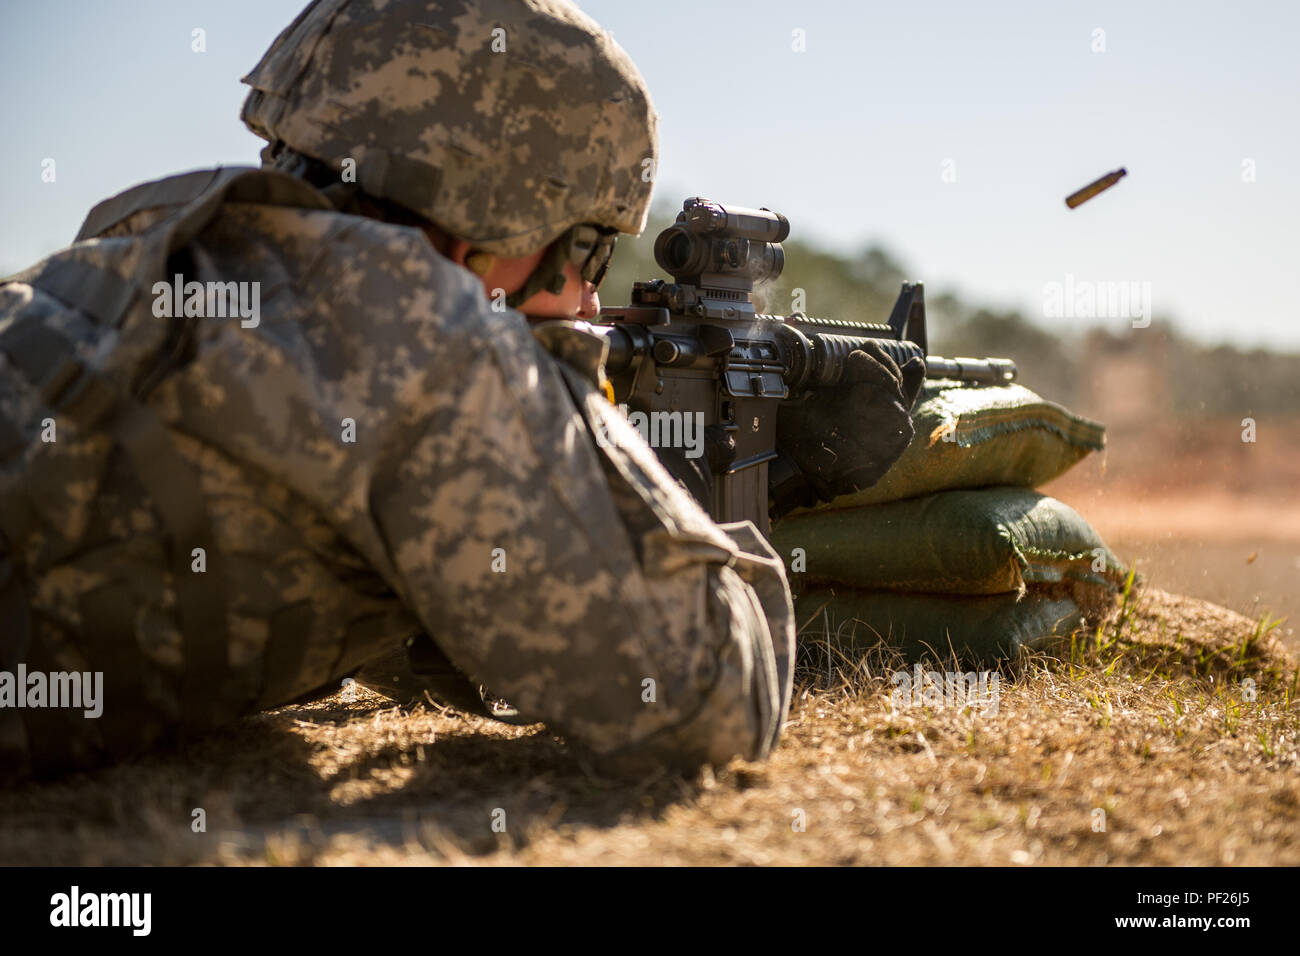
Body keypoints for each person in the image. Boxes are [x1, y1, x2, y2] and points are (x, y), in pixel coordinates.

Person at [0, 0, 804, 781]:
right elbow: (711, 703)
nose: (593, 301)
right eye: (590, 252)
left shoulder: (156, 244)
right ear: (500, 218)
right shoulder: (418, 332)